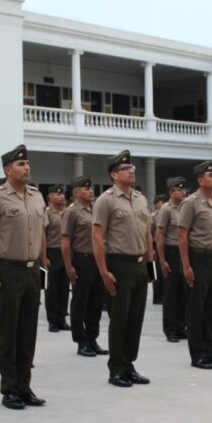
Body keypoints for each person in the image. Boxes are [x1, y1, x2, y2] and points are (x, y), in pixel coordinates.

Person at [0, 144, 47, 409]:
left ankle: (24, 386)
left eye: (27, 163)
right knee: (7, 331)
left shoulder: (37, 196)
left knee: (27, 332)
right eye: (20, 164)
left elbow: (41, 231)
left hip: (30, 271)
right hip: (7, 269)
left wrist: (42, 263)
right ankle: (9, 388)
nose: (26, 167)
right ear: (7, 169)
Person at [93, 150, 154, 388]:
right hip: (119, 264)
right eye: (126, 169)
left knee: (135, 318)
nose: (132, 171)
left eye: (133, 169)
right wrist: (104, 272)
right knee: (119, 318)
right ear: (114, 174)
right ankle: (116, 368)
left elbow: (148, 235)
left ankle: (129, 364)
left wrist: (151, 269)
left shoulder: (140, 198)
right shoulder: (106, 200)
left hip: (140, 265)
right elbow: (97, 238)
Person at [177, 161, 212, 369]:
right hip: (198, 258)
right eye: (210, 175)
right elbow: (182, 235)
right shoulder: (191, 202)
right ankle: (197, 353)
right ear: (200, 180)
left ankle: (210, 349)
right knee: (196, 309)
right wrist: (186, 265)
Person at [62, 175, 107, 358]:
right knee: (81, 301)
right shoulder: (72, 211)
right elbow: (65, 241)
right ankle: (81, 341)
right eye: (86, 189)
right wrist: (69, 266)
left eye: (91, 188)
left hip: (97, 259)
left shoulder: (95, 209)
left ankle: (92, 338)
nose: (91, 191)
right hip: (81, 259)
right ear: (76, 192)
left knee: (95, 302)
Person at [155, 177, 188, 342]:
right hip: (171, 252)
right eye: (178, 189)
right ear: (171, 192)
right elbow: (160, 236)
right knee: (170, 293)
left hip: (183, 253)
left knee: (183, 292)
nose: (182, 192)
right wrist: (162, 259)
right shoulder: (166, 210)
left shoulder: (185, 208)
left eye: (183, 189)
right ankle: (170, 329)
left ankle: (181, 326)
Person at [44, 185, 71, 332]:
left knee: (64, 289)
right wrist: (43, 257)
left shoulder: (66, 213)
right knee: (51, 289)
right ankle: (52, 321)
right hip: (51, 253)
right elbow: (42, 236)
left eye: (62, 195)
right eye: (57, 194)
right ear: (49, 197)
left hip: (64, 254)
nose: (61, 197)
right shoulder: (47, 213)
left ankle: (62, 319)